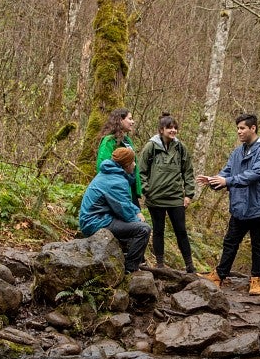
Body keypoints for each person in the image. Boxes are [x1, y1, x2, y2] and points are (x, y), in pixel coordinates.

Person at [195, 113, 260, 295]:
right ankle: (219, 275)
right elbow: (226, 172)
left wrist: (227, 181)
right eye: (237, 128)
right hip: (239, 206)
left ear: (252, 128)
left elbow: (255, 174)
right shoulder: (238, 152)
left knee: (257, 245)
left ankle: (256, 279)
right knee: (230, 242)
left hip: (258, 206)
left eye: (242, 128)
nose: (239, 132)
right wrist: (213, 180)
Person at [138, 112, 196, 273]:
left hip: (176, 197)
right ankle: (160, 264)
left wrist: (188, 194)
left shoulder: (180, 148)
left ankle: (190, 265)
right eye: (169, 128)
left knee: (181, 231)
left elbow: (188, 172)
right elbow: (141, 171)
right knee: (158, 230)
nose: (173, 131)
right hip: (155, 198)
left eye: (175, 128)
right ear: (161, 129)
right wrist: (146, 189)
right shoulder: (151, 147)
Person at [80, 147, 151, 274]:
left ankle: (128, 260)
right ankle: (130, 269)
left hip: (96, 219)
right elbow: (124, 211)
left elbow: (124, 202)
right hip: (96, 223)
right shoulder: (116, 181)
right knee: (143, 229)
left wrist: (136, 210)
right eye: (133, 162)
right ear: (127, 165)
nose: (135, 165)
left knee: (133, 230)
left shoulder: (110, 174)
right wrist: (137, 219)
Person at [96, 109, 142, 203]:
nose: (133, 122)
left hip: (130, 189)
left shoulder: (127, 140)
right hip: (117, 191)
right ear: (120, 120)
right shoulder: (109, 141)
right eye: (130, 119)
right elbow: (103, 166)